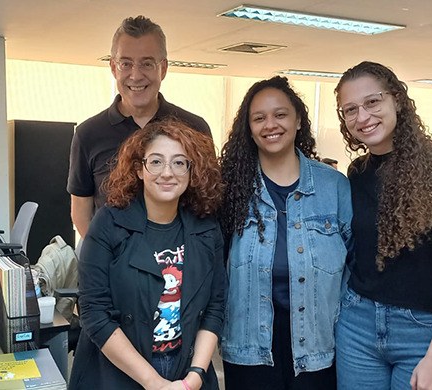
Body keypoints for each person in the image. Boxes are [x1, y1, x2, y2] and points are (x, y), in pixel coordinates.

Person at [333, 61, 432, 390]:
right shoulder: (357, 173)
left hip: (425, 329)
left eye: (373, 102)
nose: (362, 116)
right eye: (350, 109)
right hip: (358, 324)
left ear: (397, 100)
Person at [69, 120, 226, 390]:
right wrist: (154, 383)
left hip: (187, 370)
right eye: (156, 162)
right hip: (119, 371)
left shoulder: (206, 227)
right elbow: (95, 313)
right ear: (139, 169)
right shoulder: (108, 223)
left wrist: (195, 376)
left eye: (179, 163)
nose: (167, 172)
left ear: (192, 171)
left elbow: (215, 307)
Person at [218, 76, 352, 390]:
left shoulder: (333, 187)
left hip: (318, 346)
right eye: (259, 118)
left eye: (280, 114)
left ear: (298, 120)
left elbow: (356, 268)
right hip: (248, 348)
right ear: (248, 128)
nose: (270, 125)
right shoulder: (229, 188)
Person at [68, 15, 212, 238]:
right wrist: (101, 253)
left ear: (163, 69)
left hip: (179, 258)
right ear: (113, 68)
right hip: (113, 259)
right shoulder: (88, 134)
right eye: (126, 63)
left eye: (147, 63)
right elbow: (81, 212)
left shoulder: (194, 128)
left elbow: (207, 202)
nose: (135, 75)